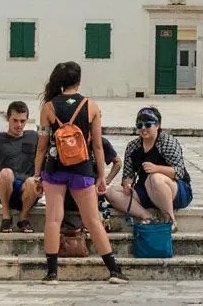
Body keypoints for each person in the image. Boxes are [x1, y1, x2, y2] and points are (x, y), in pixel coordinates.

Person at [35, 61, 126, 285]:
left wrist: (37, 174)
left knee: (53, 220)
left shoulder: (48, 107)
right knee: (93, 219)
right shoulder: (92, 107)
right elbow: (97, 146)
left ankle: (52, 273)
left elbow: (42, 145)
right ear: (79, 81)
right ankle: (113, 270)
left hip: (55, 168)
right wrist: (102, 176)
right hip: (82, 168)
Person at [107, 106, 193, 223]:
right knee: (111, 192)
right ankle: (147, 216)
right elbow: (127, 175)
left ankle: (170, 219)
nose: (143, 129)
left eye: (148, 125)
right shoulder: (133, 146)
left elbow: (179, 171)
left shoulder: (167, 142)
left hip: (175, 191)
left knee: (154, 178)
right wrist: (127, 184)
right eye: (139, 125)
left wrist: (157, 168)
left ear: (157, 126)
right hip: (145, 192)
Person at [0, 101, 42, 234]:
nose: (19, 125)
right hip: (5, 188)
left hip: (28, 190)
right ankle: (6, 217)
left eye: (23, 121)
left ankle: (23, 218)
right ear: (8, 118)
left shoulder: (34, 137)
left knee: (32, 181)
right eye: (15, 120)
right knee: (6, 173)